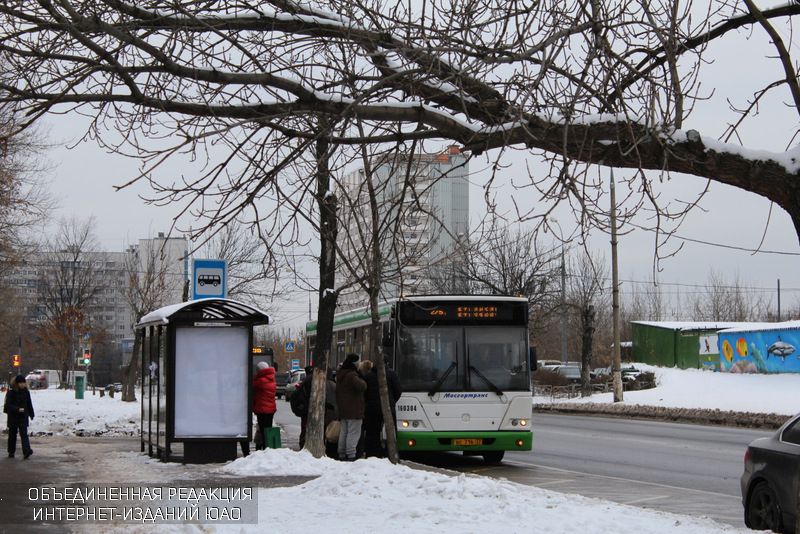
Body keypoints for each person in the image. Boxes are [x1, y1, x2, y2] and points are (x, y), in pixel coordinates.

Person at [363, 357, 402, 458]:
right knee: (390, 430)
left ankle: (372, 454)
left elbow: (365, 393)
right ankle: (389, 454)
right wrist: (392, 402)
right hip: (388, 407)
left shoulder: (368, 375)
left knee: (372, 432)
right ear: (387, 363)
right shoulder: (392, 374)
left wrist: (369, 402)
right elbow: (398, 391)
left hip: (372, 409)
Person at [336, 354, 367, 461]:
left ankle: (342, 453)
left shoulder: (341, 374)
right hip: (354, 409)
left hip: (344, 409)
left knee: (344, 432)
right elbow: (362, 386)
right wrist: (360, 375)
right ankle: (351, 455)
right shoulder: (352, 375)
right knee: (353, 433)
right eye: (358, 362)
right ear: (355, 363)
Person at [4, 375, 34, 459]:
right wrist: (17, 409)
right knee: (12, 435)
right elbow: (8, 405)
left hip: (23, 416)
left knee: (24, 434)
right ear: (17, 383)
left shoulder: (26, 392)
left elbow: (29, 403)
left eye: (23, 382)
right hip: (13, 417)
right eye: (21, 383)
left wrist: (31, 413)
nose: (22, 384)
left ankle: (26, 451)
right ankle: (11, 451)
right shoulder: (11, 392)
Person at [252, 361, 277, 450]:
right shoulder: (272, 379)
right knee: (267, 429)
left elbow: (251, 384)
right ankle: (266, 447)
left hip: (262, 409)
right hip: (271, 409)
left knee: (262, 430)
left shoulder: (260, 381)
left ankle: (262, 448)